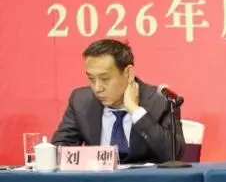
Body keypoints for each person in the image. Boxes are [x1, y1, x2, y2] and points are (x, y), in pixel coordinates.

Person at [52, 39, 185, 163]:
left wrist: (136, 111)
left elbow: (174, 155)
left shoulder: (160, 101)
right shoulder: (81, 101)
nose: (97, 88)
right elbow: (59, 149)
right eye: (91, 79)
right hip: (96, 179)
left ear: (128, 73)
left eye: (105, 79)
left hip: (144, 180)